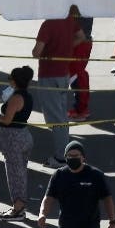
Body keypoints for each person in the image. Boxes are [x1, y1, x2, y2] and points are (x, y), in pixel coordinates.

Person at [32, 13, 82, 167]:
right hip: (63, 73)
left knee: (56, 117)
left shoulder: (48, 24)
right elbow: (81, 36)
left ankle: (62, 157)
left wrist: (51, 50)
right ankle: (64, 150)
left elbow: (36, 52)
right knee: (61, 114)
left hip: (49, 75)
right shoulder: (69, 20)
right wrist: (66, 48)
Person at [0, 66, 35, 221]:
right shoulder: (27, 96)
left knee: (14, 173)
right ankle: (20, 205)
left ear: (15, 81)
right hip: (23, 135)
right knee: (21, 172)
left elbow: (7, 120)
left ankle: (18, 208)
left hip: (13, 138)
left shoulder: (15, 98)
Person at [68, 6, 93, 122]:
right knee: (78, 74)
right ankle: (80, 108)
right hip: (82, 40)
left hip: (79, 42)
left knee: (76, 75)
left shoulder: (80, 2)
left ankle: (81, 109)